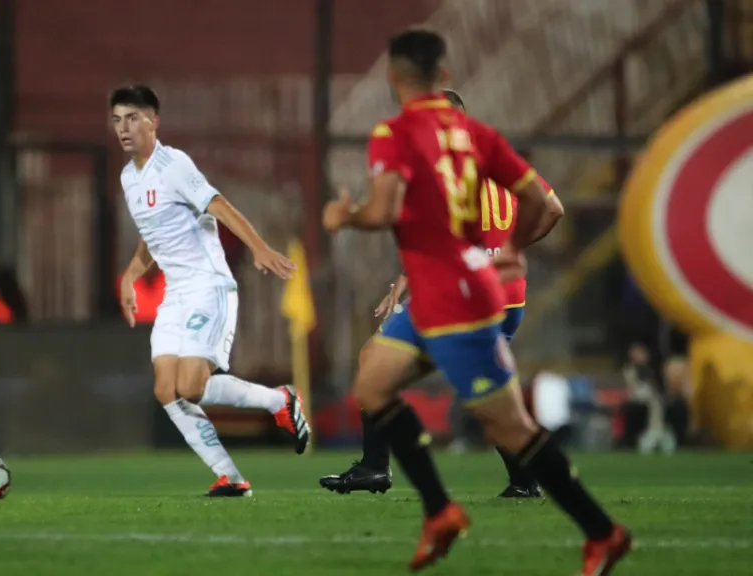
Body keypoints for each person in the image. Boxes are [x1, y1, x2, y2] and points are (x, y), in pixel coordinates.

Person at [321, 29, 631, 574]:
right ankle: (437, 509)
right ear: (444, 76)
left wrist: (344, 216)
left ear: (394, 79)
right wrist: (512, 249)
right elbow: (548, 204)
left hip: (454, 299)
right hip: (461, 290)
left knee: (507, 425)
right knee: (372, 376)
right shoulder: (479, 139)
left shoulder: (394, 134)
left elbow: (383, 211)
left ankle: (601, 531)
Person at [320, 89, 561, 499]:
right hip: (507, 299)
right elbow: (553, 209)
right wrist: (513, 249)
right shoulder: (497, 159)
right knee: (481, 393)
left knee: (373, 362)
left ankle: (376, 467)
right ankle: (526, 479)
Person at [111, 85, 310, 497]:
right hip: (176, 294)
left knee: (191, 387)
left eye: (132, 118)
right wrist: (131, 276)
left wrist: (259, 248)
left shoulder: (174, 164)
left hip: (208, 287)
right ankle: (231, 477)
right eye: (117, 120)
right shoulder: (129, 177)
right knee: (166, 390)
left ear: (153, 122)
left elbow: (217, 204)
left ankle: (280, 401)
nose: (123, 128)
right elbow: (153, 234)